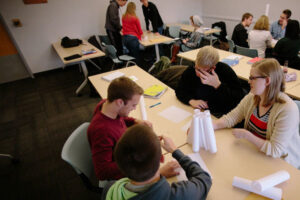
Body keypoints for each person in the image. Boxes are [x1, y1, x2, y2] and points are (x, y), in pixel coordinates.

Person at [88, 77, 179, 182]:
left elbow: (120, 118)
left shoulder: (106, 104)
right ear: (119, 102)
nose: (135, 108)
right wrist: (155, 173)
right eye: (133, 105)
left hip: (127, 153)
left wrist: (135, 121)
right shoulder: (102, 131)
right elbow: (102, 172)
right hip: (126, 173)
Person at [213, 59, 300, 169]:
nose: (249, 82)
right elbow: (232, 117)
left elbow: (275, 150)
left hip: (282, 163)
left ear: (267, 81)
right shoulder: (253, 97)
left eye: (252, 78)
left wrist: (247, 135)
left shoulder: (287, 109)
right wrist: (211, 125)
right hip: (257, 153)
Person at [101, 124, 212, 200]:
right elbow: (204, 179)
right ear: (160, 158)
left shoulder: (110, 189)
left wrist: (160, 173)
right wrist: (175, 151)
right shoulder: (177, 196)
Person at [175, 46, 245, 117]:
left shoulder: (225, 71)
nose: (197, 73)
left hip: (220, 114)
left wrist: (218, 85)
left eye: (202, 71)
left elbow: (238, 99)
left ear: (213, 68)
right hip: (197, 111)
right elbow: (179, 90)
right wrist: (191, 101)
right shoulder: (191, 70)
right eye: (197, 68)